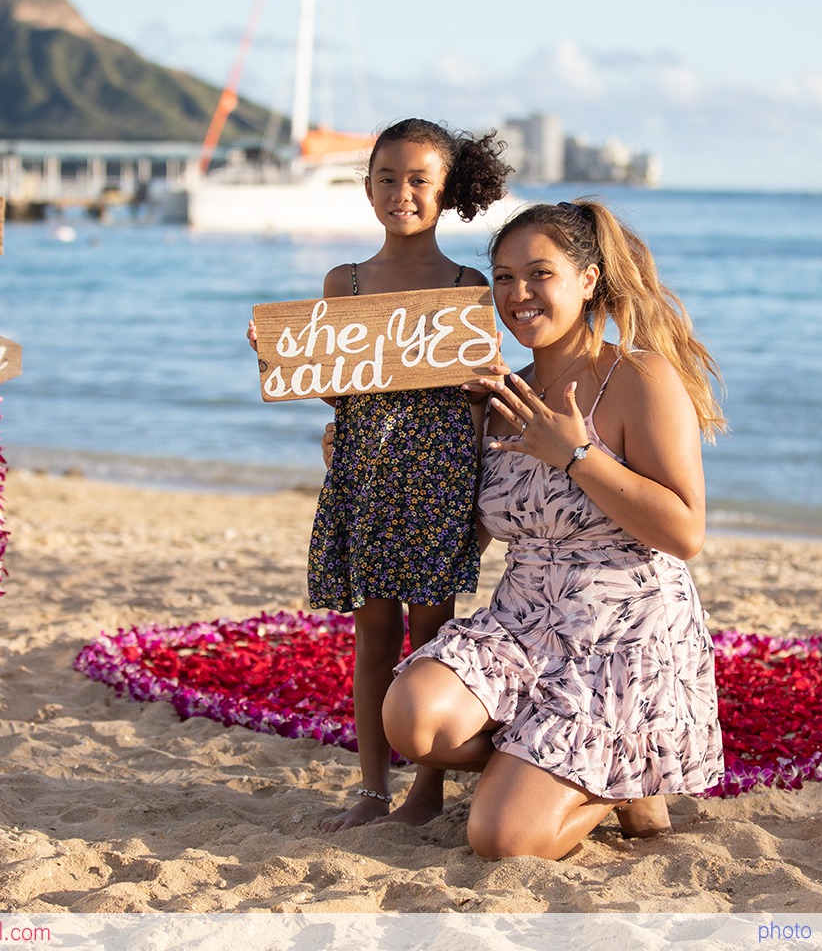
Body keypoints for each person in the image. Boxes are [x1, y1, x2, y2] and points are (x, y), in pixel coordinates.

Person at [381, 198, 726, 860]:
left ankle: (616, 782)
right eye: (503, 278)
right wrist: (370, 450)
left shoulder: (639, 377)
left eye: (539, 273)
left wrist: (575, 452)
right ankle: (568, 763)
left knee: (500, 839)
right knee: (412, 718)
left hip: (620, 633)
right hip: (521, 624)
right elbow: (463, 542)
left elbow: (684, 532)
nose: (518, 294)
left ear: (588, 280)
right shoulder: (497, 394)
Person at [291, 118, 512, 832]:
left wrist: (488, 394)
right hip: (365, 475)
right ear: (366, 187)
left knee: (431, 634)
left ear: (445, 192)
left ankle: (428, 790)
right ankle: (370, 789)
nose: (402, 192)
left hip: (438, 482)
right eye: (387, 178)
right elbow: (343, 386)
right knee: (372, 633)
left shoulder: (466, 284)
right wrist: (287, 359)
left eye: (419, 180)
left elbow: (477, 399)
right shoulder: (344, 282)